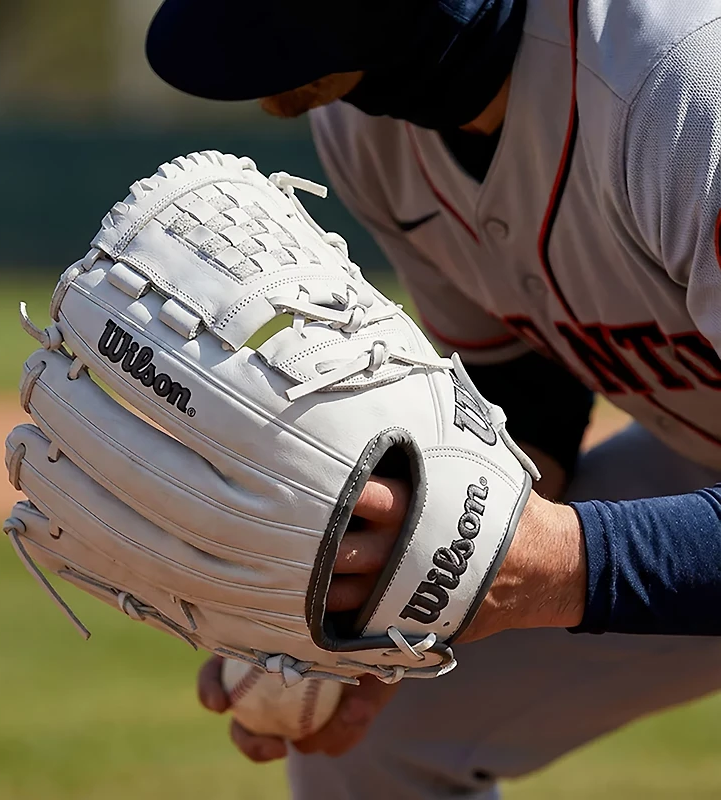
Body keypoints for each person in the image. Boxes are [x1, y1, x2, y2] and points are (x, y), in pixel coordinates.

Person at [146, 0, 721, 796]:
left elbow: (548, 556)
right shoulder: (368, 124)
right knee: (372, 727)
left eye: (293, 50)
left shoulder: (686, 81)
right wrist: (400, 580)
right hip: (700, 463)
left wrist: (544, 563)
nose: (273, 98)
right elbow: (526, 390)